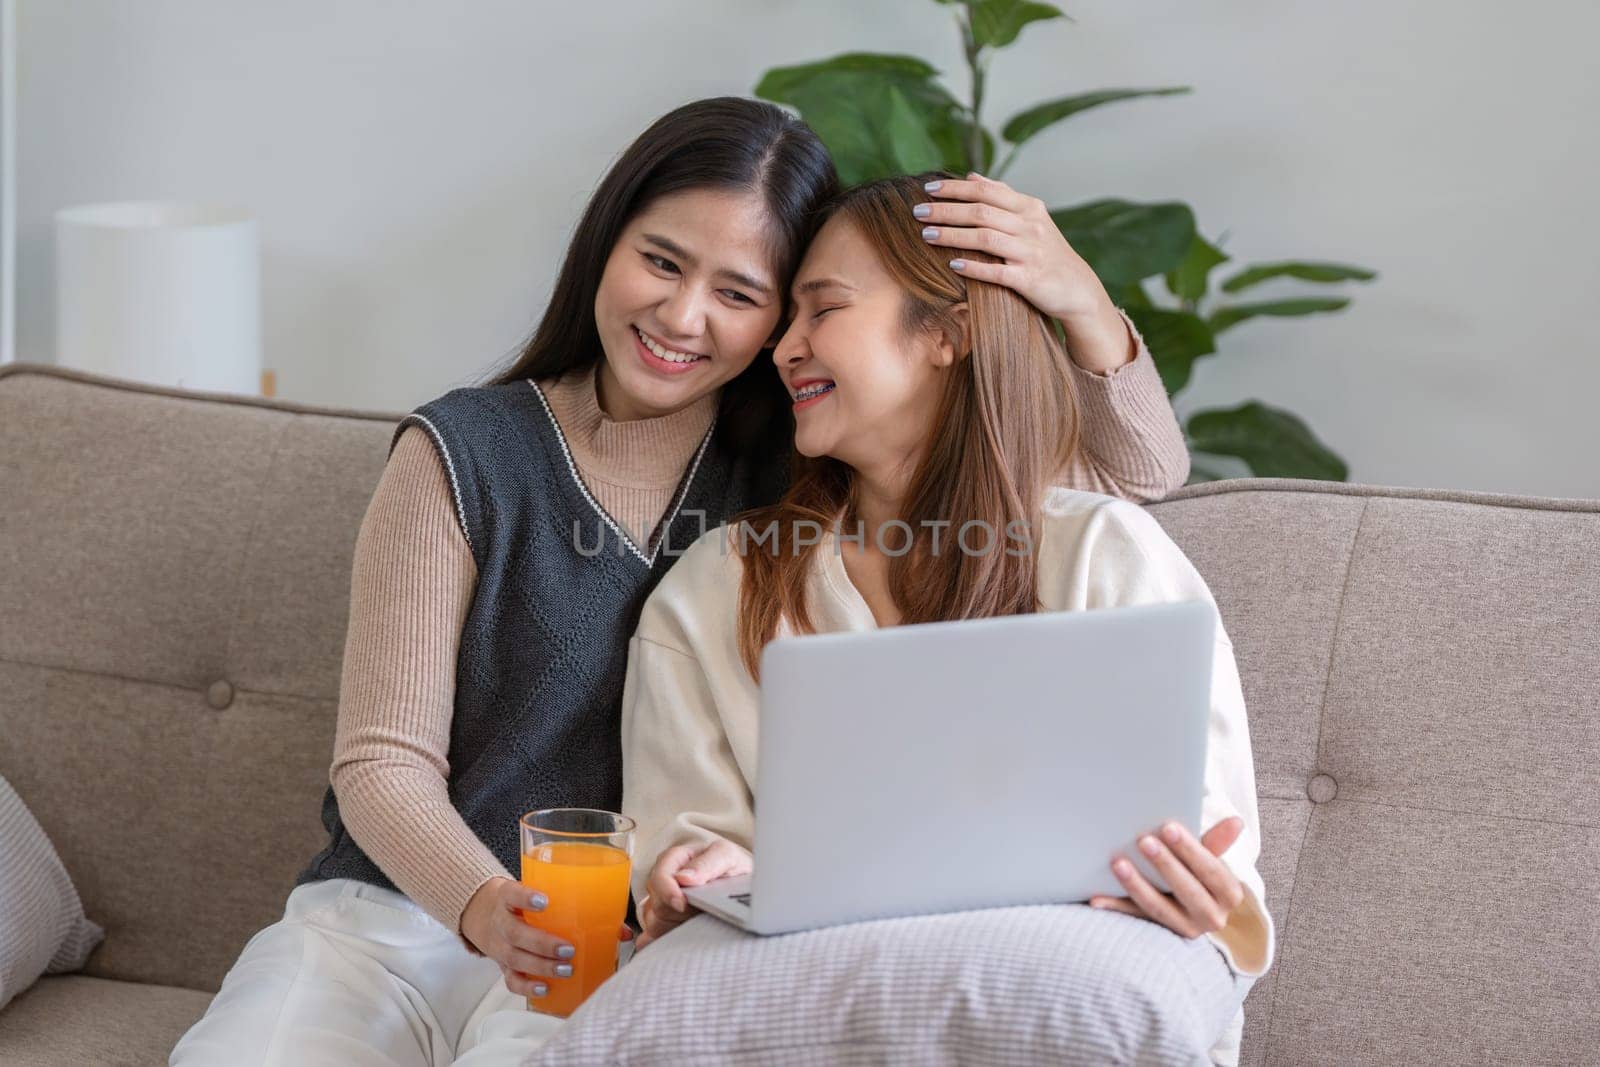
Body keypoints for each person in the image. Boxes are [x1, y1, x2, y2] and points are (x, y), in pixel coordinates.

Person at [171, 96, 1192, 1065]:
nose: (683, 313)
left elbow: (1133, 478)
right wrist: (488, 909)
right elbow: (383, 762)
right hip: (387, 922)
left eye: (740, 294)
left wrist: (1074, 295)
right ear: (604, 244)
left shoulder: (800, 463)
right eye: (661, 260)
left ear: (779, 320)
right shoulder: (464, 452)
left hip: (625, 951)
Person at [619, 173, 1272, 1066]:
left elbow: (1202, 831)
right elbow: (690, 835)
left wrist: (1198, 889)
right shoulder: (715, 588)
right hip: (808, 1002)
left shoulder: (1103, 554)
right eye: (787, 319)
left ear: (948, 335)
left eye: (823, 309)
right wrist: (688, 878)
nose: (784, 349)